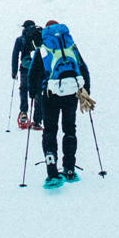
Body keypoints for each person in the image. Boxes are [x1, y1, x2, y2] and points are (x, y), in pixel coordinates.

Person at [29, 19, 91, 187]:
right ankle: (69, 169)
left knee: (50, 130)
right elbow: (84, 69)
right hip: (71, 94)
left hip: (50, 95)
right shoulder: (71, 47)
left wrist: (33, 93)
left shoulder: (42, 50)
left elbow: (33, 74)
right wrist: (86, 91)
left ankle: (52, 171)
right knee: (69, 129)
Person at [10, 20, 43, 131]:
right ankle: (37, 121)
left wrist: (14, 71)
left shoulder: (20, 40)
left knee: (24, 88)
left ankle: (24, 112)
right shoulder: (39, 37)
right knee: (38, 91)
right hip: (38, 69)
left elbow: (15, 55)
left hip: (25, 68)